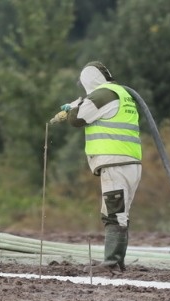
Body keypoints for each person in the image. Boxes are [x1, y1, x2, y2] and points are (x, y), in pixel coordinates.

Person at [55, 61, 142, 271]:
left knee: (114, 213)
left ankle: (111, 263)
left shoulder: (103, 94)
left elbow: (77, 119)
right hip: (129, 162)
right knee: (120, 213)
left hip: (115, 162)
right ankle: (116, 261)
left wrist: (74, 107)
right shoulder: (121, 93)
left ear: (88, 80)